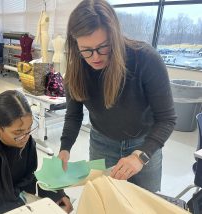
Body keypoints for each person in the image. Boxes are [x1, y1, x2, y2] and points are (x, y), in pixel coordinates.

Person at [58, 0, 176, 193]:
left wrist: (140, 157)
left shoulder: (145, 58)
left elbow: (167, 119)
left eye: (103, 47)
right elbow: (73, 115)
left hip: (145, 144)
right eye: (86, 50)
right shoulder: (76, 69)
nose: (95, 57)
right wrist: (65, 148)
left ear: (114, 36)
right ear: (74, 43)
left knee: (145, 202)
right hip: (102, 144)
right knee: (105, 200)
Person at [0, 90, 73, 214]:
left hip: (14, 203)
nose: (25, 137)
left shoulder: (25, 141)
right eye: (18, 132)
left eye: (29, 129)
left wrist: (56, 194)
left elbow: (28, 178)